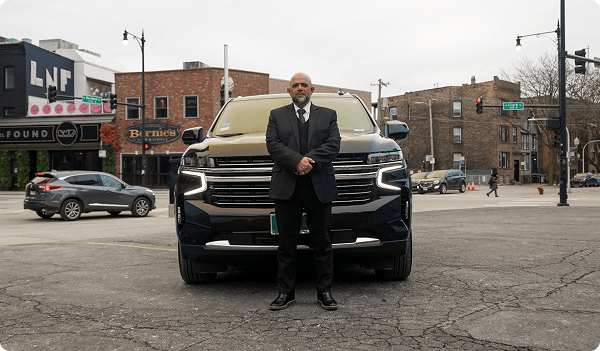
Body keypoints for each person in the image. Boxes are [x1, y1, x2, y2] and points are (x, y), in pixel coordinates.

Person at [265, 72, 341, 310]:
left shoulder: (328, 115)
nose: (300, 88)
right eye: (295, 85)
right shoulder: (277, 115)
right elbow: (273, 144)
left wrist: (307, 161)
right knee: (286, 244)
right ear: (289, 91)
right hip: (287, 187)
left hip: (320, 187)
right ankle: (286, 293)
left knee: (323, 243)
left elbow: (333, 145)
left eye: (304, 85)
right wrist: (296, 161)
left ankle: (324, 292)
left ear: (312, 90)